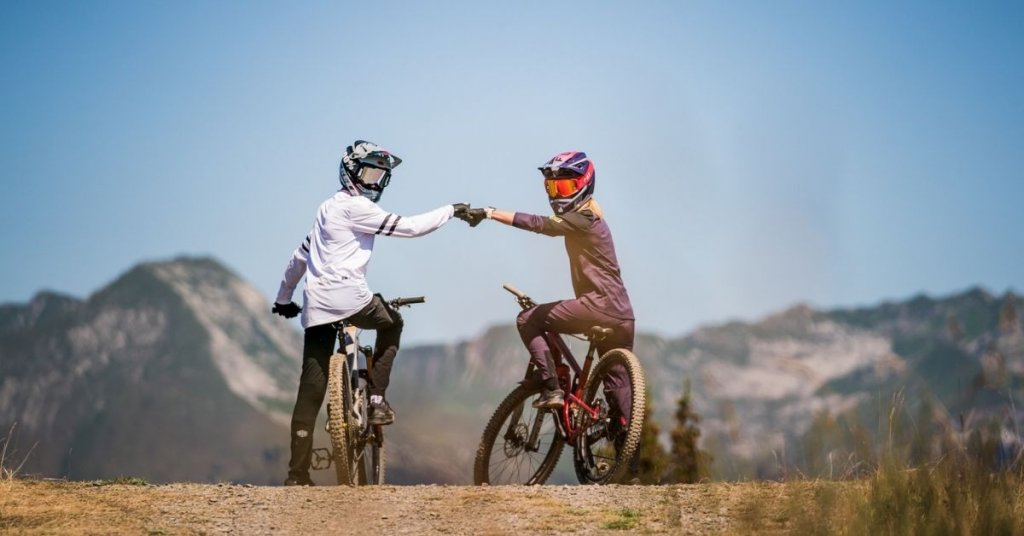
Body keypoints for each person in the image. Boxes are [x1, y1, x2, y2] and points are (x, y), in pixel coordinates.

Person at [272, 140, 478, 486]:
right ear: (350, 172)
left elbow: (299, 257)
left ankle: (297, 475)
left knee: (310, 390)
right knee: (392, 324)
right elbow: (411, 227)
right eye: (368, 173)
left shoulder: (326, 210)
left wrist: (282, 299)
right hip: (351, 299)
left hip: (316, 306)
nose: (373, 182)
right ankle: (378, 398)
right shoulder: (357, 209)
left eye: (379, 176)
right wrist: (452, 210)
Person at [466, 151, 635, 418]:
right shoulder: (593, 220)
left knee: (527, 320)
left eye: (564, 186)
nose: (557, 194)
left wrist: (489, 213)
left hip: (596, 307)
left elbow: (539, 224)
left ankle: (553, 386)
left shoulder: (583, 219)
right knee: (620, 395)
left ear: (583, 185)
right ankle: (625, 449)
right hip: (623, 315)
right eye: (551, 187)